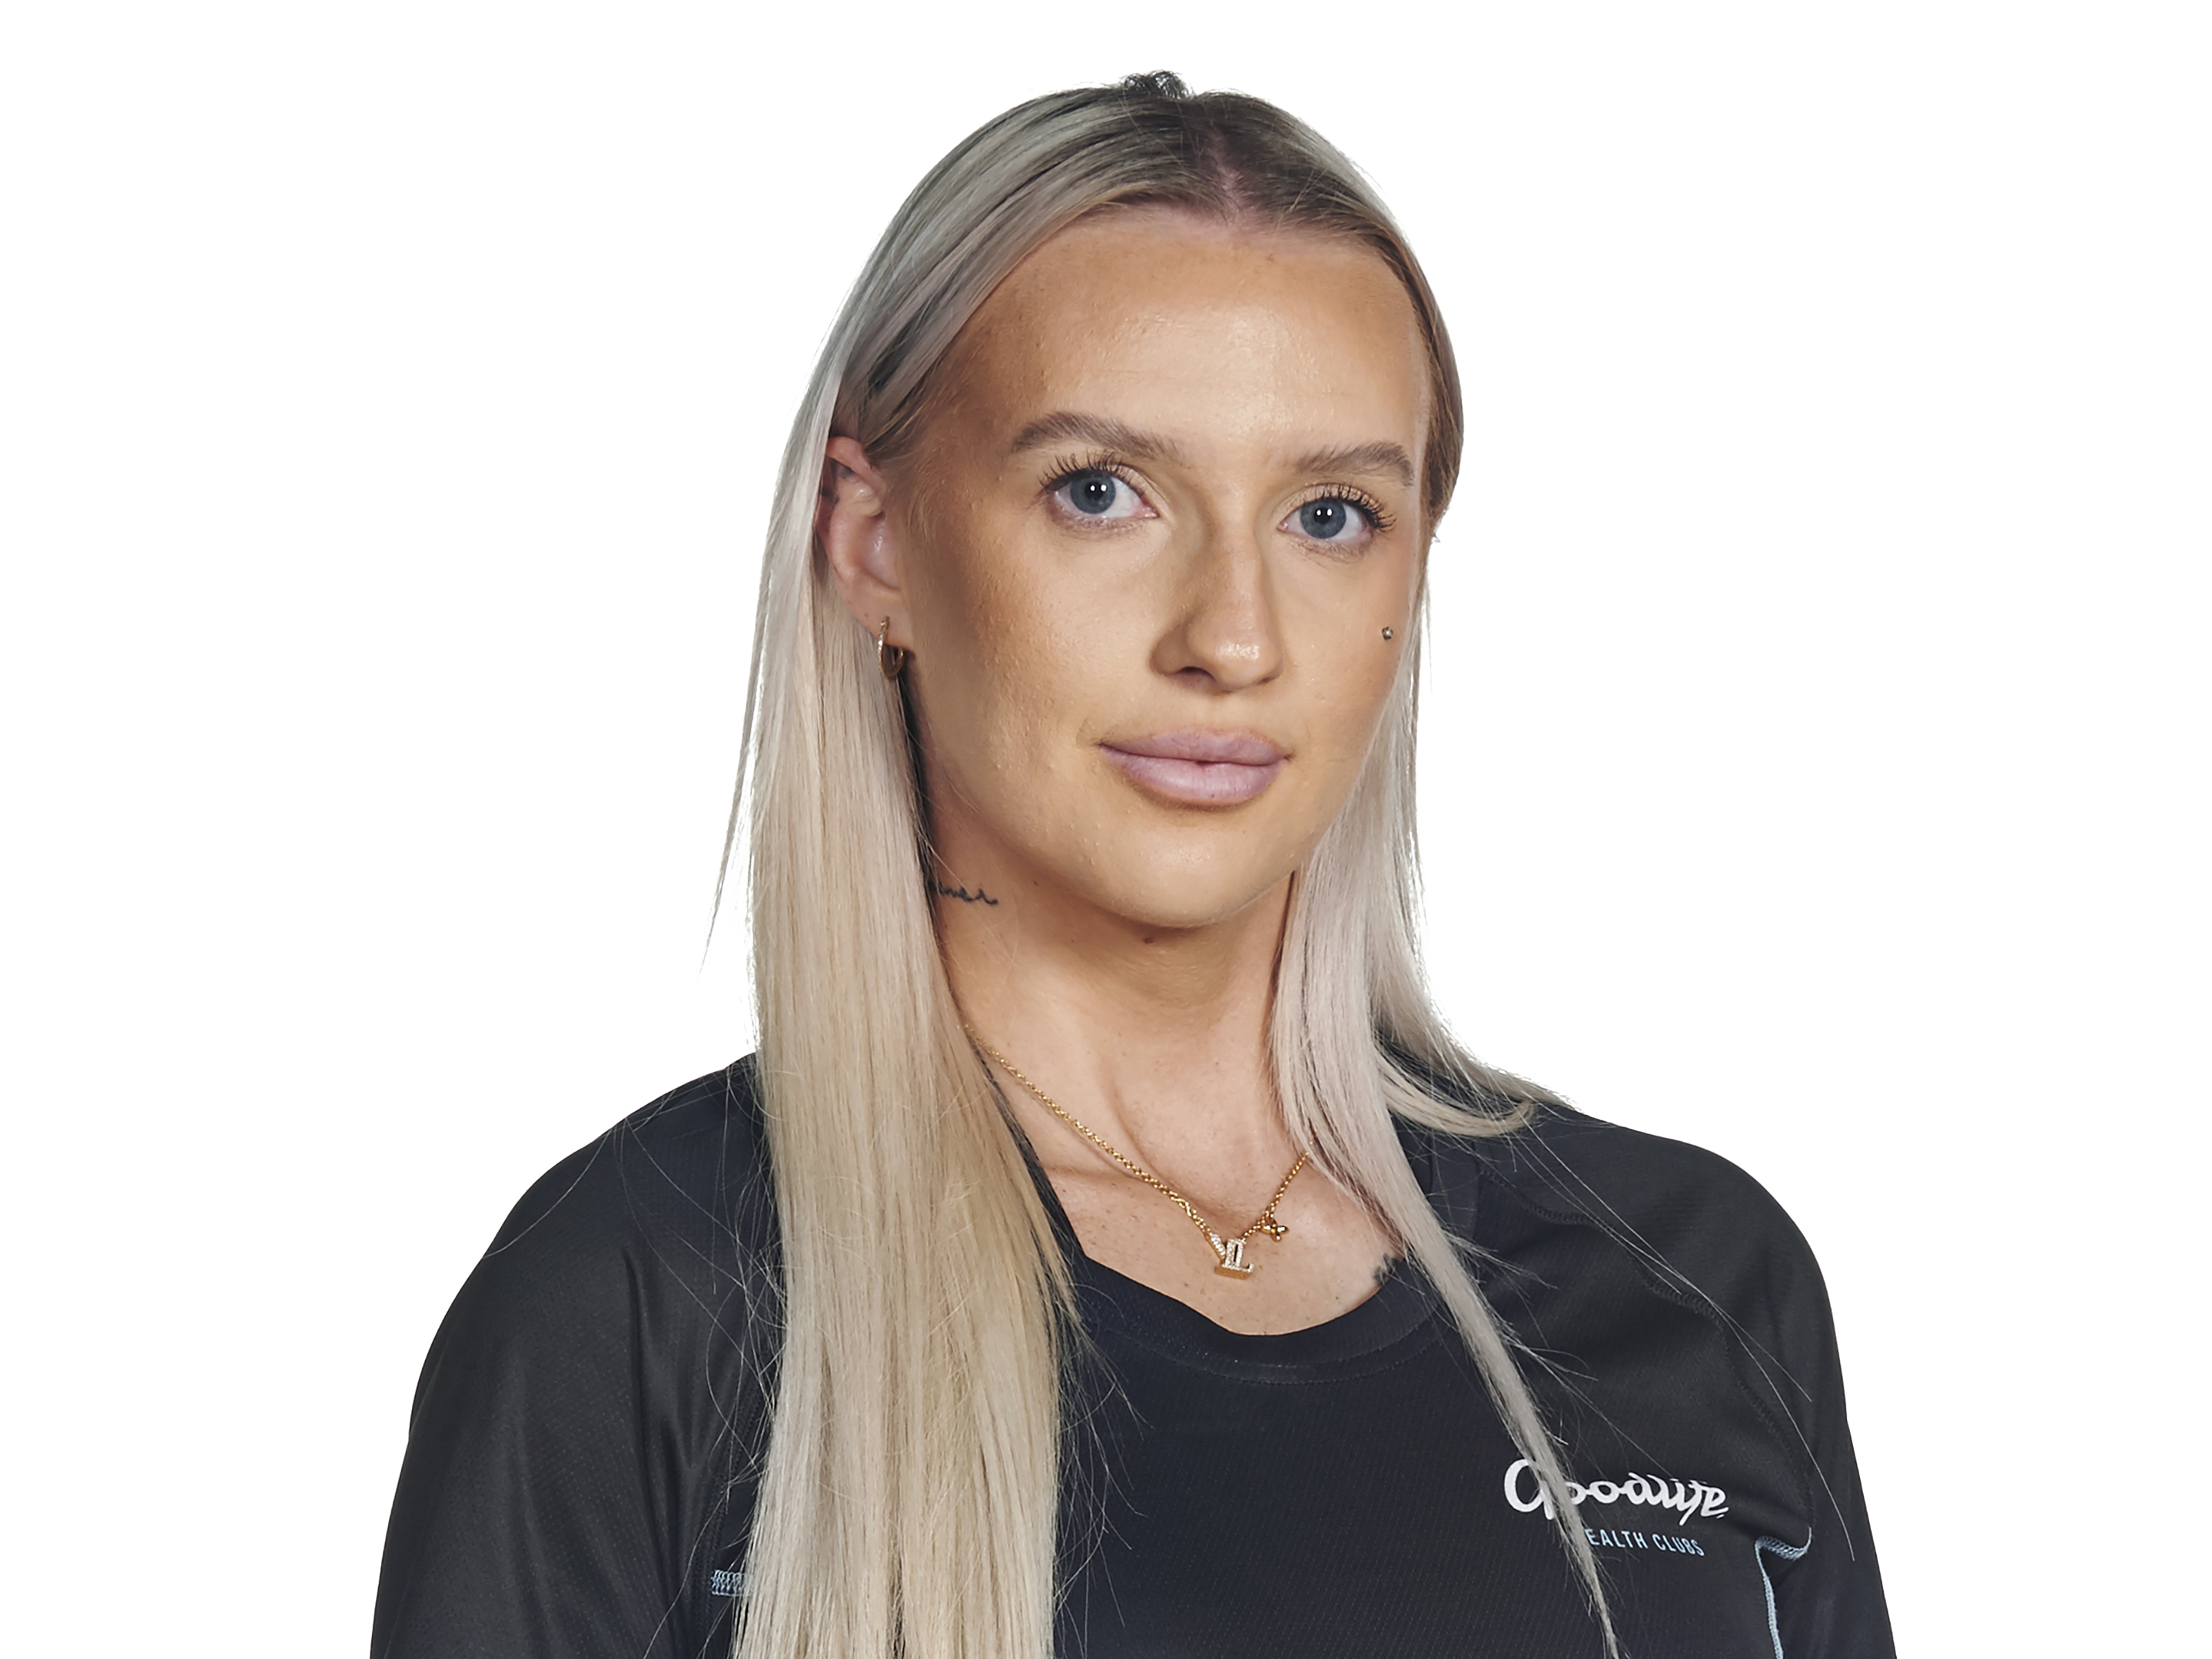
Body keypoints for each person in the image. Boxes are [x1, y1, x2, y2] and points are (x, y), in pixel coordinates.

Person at [372, 73, 1894, 1659]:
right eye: (1099, 493)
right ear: (873, 544)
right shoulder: (643, 1300)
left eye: (1328, 514)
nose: (1231, 636)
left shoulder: (1688, 1276)